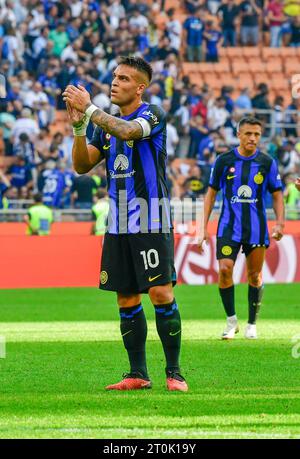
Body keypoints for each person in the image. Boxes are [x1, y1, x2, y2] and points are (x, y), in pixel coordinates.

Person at [63, 56, 188, 392]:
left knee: (161, 293)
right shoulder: (103, 126)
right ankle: (137, 373)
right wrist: (78, 127)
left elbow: (129, 130)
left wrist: (89, 110)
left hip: (150, 218)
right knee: (126, 298)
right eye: (114, 77)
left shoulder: (153, 114)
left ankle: (175, 373)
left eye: (123, 79)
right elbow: (81, 165)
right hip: (117, 224)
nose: (115, 82)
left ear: (140, 87)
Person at [198, 117, 285, 340]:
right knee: (225, 269)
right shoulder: (223, 160)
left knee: (254, 276)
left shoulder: (267, 162)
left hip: (256, 229)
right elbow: (211, 194)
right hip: (228, 227)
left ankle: (252, 324)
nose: (252, 138)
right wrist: (203, 227)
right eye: (248, 134)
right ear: (238, 135)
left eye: (256, 134)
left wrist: (280, 223)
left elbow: (277, 195)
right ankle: (231, 322)